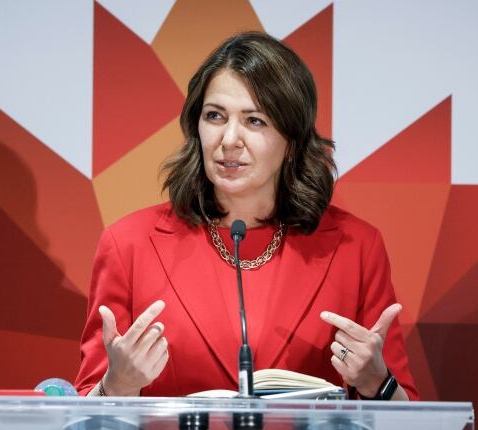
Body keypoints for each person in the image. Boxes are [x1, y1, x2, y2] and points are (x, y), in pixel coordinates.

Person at [74, 31, 418, 401]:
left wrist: (377, 383)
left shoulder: (357, 248)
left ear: (292, 141)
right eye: (215, 116)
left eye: (254, 121)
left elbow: (412, 420)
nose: (229, 139)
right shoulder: (129, 245)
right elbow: (83, 413)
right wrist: (118, 385)